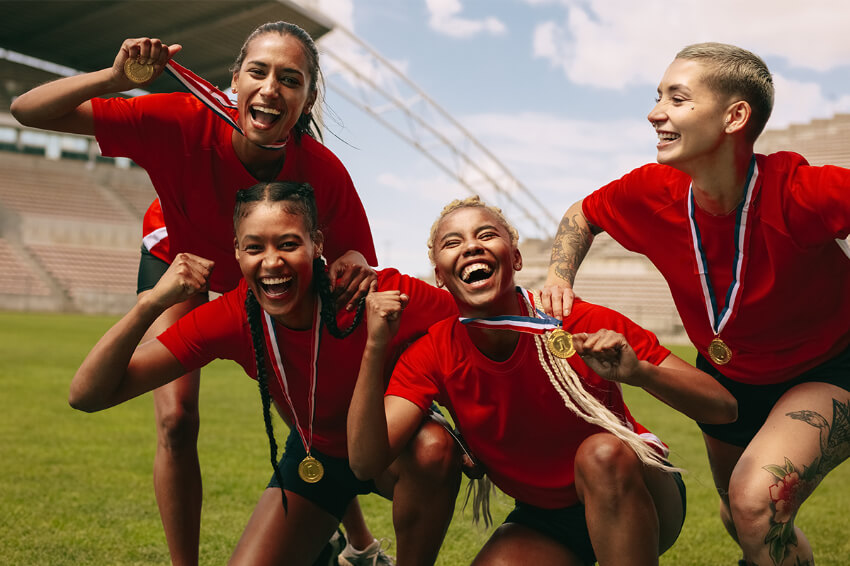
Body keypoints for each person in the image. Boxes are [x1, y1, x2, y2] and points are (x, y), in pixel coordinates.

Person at [11, 23, 381, 565]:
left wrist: (356, 264)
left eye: (289, 79)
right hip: (181, 264)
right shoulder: (182, 119)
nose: (270, 88)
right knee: (176, 420)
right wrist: (113, 79)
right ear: (235, 79)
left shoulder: (323, 172)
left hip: (263, 277)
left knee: (309, 408)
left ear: (307, 100)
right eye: (257, 72)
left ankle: (359, 545)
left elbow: (360, 263)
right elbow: (26, 110)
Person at [541, 42, 850, 566]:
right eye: (658, 96)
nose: (654, 112)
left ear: (734, 117)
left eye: (677, 98)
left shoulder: (801, 190)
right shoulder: (650, 190)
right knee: (738, 513)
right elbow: (583, 213)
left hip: (826, 368)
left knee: (755, 503)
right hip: (727, 376)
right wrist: (558, 274)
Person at [69, 181, 462, 566]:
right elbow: (87, 395)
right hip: (317, 461)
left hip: (391, 453)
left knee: (433, 448)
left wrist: (472, 433)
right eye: (254, 247)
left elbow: (476, 327)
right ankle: (323, 549)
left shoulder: (372, 292)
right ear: (236, 251)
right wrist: (150, 305)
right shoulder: (232, 316)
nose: (272, 262)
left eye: (288, 244)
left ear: (317, 244)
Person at [347, 196, 737, 565]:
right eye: (453, 242)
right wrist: (375, 347)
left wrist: (640, 372)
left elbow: (723, 407)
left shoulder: (577, 320)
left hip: (634, 486)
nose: (471, 246)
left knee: (600, 454)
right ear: (439, 275)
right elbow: (365, 463)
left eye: (486, 235)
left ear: (515, 258)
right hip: (547, 517)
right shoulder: (434, 351)